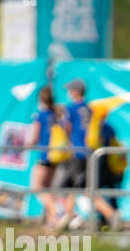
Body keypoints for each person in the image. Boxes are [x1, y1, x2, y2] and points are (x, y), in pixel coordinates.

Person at [50, 79, 91, 230]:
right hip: (88, 152)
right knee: (78, 187)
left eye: (70, 90)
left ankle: (73, 216)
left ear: (75, 92)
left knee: (62, 187)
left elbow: (67, 127)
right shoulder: (88, 108)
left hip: (75, 152)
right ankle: (70, 216)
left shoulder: (72, 108)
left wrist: (59, 123)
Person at [27, 86, 60, 228]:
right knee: (48, 189)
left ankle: (56, 211)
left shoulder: (40, 115)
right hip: (56, 156)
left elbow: (34, 138)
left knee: (37, 187)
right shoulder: (56, 115)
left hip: (44, 156)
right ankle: (51, 221)